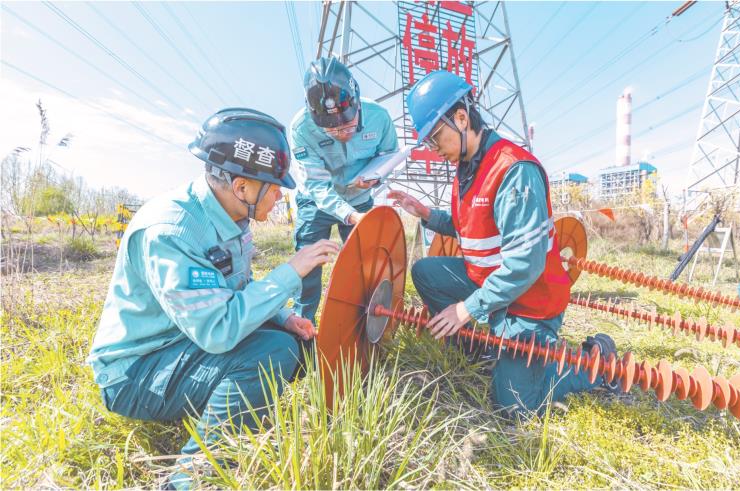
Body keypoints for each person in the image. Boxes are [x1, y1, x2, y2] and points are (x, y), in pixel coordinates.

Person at [86, 108, 340, 489]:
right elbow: (218, 331)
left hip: (182, 340)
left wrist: (283, 317)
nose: (280, 195)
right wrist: (292, 271)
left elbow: (236, 285)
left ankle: (228, 404)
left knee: (297, 345)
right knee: (271, 353)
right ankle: (188, 479)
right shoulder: (171, 231)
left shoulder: (230, 216)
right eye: (273, 187)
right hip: (136, 370)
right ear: (241, 187)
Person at [388, 71, 618, 415]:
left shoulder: (513, 171)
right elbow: (472, 226)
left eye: (436, 139)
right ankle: (478, 348)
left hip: (530, 301)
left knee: (513, 405)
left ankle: (593, 362)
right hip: (491, 288)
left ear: (461, 118)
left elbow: (524, 265)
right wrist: (427, 214)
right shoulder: (468, 167)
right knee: (426, 273)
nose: (435, 151)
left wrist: (465, 309)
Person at [289, 56, 398, 323]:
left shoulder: (379, 117)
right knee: (308, 264)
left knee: (365, 263)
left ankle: (361, 323)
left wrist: (375, 179)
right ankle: (303, 326)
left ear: (357, 103)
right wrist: (349, 215)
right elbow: (316, 184)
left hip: (359, 197)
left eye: (348, 125)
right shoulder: (301, 128)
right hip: (317, 201)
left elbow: (389, 156)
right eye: (332, 130)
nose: (342, 133)